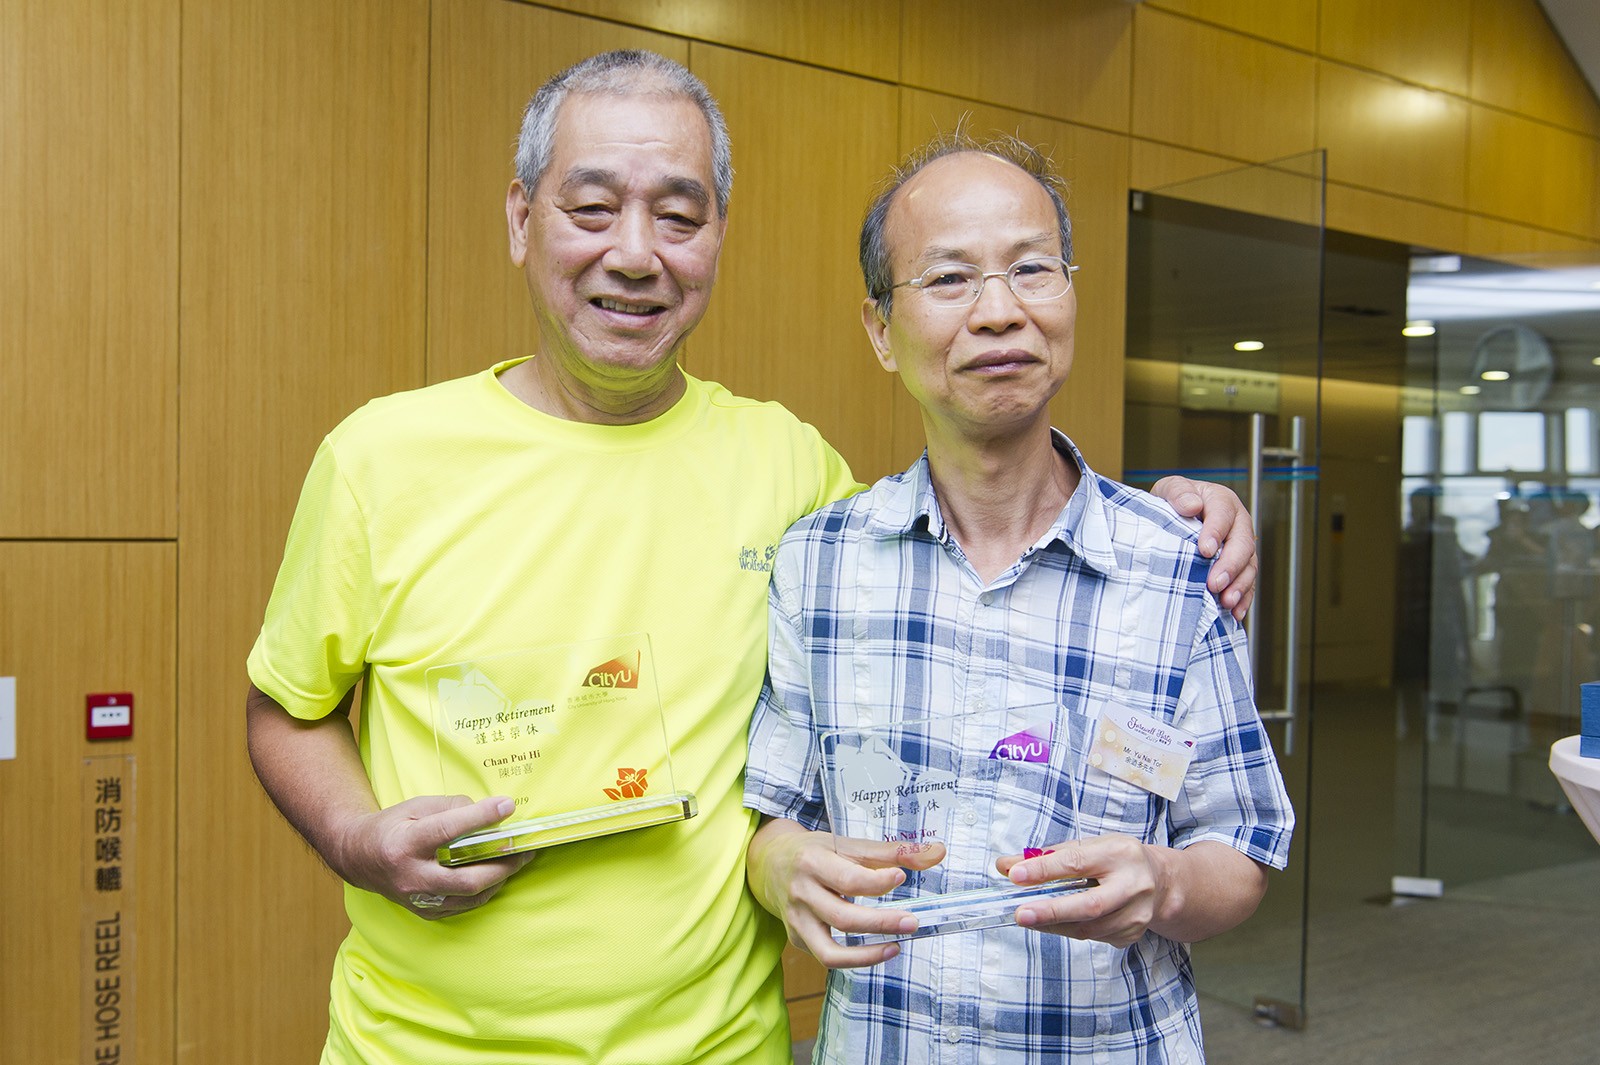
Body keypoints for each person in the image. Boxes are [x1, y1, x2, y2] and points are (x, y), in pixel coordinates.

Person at [244, 52, 1261, 1064]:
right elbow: (286, 710)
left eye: (679, 217)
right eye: (592, 209)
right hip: (420, 1049)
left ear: (717, 235)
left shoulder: (794, 476)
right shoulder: (380, 459)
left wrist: (1183, 516)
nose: (636, 254)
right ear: (521, 220)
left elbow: (973, 535)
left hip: (721, 1048)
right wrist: (354, 840)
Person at [744, 132, 1294, 1063]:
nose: (999, 312)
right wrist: (781, 866)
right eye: (950, 279)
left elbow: (1241, 849)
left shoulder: (1172, 564)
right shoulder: (822, 562)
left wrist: (1160, 884)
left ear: (1070, 297)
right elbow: (774, 816)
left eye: (1032, 269)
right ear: (880, 329)